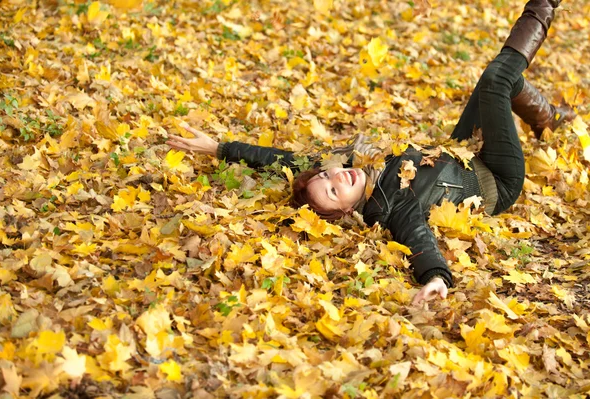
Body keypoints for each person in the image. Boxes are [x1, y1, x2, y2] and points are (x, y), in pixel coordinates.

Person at [167, 0, 575, 305]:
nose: (334, 178)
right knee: (496, 78)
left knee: (493, 87)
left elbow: (282, 158)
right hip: (496, 179)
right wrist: (436, 278)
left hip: (461, 149)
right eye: (331, 191)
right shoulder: (391, 205)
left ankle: (546, 117)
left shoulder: (356, 165)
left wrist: (218, 147)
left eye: (325, 176)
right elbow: (418, 239)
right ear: (346, 211)